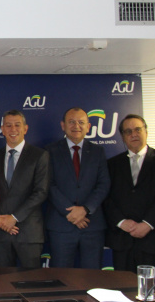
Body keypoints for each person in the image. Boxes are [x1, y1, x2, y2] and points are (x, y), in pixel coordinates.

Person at [104, 114, 155, 275]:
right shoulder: (111, 164)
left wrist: (147, 224)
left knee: (153, 288)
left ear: (146, 132)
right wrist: (121, 222)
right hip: (123, 240)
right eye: (128, 131)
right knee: (123, 288)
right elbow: (106, 198)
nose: (134, 134)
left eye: (138, 129)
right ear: (122, 136)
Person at [45, 107, 110, 269]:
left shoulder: (98, 151)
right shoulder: (49, 151)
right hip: (61, 225)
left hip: (92, 225)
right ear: (63, 125)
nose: (76, 126)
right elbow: (48, 184)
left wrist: (85, 209)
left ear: (88, 126)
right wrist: (70, 212)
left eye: (81, 122)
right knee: (61, 276)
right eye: (71, 122)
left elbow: (103, 184)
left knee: (92, 277)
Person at [0, 110, 49, 269]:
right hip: (1, 233)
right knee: (2, 280)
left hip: (28, 232)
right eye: (8, 125)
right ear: (2, 129)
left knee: (31, 281)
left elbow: (41, 191)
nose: (13, 129)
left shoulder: (39, 155)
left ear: (25, 128)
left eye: (17, 125)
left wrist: (14, 217)